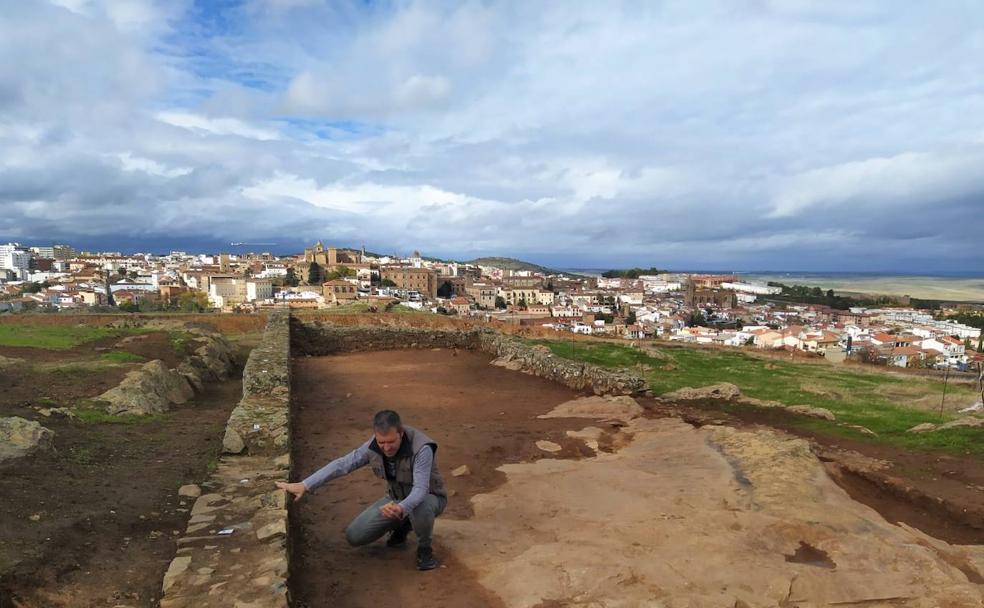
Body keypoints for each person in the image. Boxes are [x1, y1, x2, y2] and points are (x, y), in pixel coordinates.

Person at [276, 409, 447, 571]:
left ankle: (425, 549)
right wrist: (305, 484)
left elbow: (420, 489)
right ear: (375, 436)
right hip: (395, 498)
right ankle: (403, 524)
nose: (386, 448)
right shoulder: (373, 446)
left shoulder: (422, 448)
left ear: (401, 433)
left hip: (429, 498)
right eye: (381, 442)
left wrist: (402, 508)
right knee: (355, 536)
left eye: (391, 442)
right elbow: (344, 464)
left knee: (419, 506)